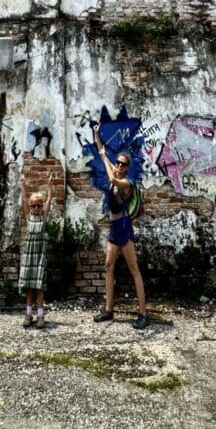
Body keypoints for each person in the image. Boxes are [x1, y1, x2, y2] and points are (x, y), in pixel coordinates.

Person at [92, 125, 149, 329]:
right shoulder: (114, 172)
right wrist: (96, 134)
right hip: (113, 227)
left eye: (122, 164)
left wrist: (110, 167)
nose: (118, 165)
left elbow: (113, 179)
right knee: (108, 266)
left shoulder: (126, 183)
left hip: (124, 227)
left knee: (134, 270)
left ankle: (143, 314)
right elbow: (101, 152)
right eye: (117, 162)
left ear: (127, 167)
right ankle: (108, 310)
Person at [19, 173, 53, 328]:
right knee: (29, 287)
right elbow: (24, 200)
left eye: (39, 205)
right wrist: (23, 185)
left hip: (39, 257)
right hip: (28, 257)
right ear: (31, 207)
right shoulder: (28, 217)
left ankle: (40, 316)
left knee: (39, 287)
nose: (37, 208)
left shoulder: (43, 217)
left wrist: (50, 186)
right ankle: (28, 314)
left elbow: (49, 200)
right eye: (34, 206)